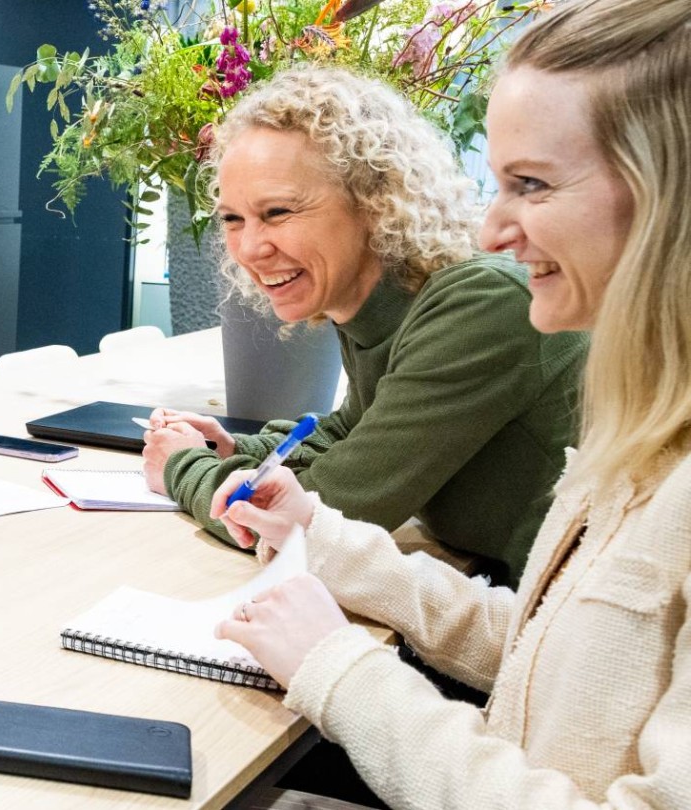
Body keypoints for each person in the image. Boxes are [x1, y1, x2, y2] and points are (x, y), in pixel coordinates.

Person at [215, 1, 691, 806]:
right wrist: (322, 540)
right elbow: (551, 649)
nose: (494, 228)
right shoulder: (642, 433)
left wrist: (342, 669)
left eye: (530, 186)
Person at [141, 66, 586, 589]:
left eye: (278, 211)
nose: (249, 247)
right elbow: (351, 428)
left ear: (373, 203)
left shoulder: (480, 304)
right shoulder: (380, 304)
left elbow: (319, 523)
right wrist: (239, 453)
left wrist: (182, 468)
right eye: (233, 219)